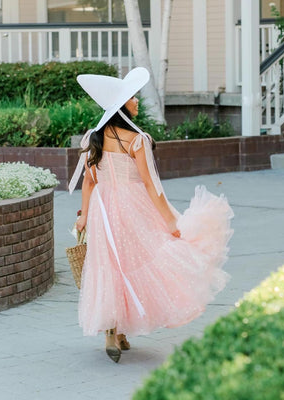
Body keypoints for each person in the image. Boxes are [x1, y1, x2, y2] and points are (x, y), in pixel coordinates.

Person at [69, 67, 234, 363]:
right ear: (121, 106)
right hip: (132, 206)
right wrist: (170, 219)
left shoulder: (92, 138)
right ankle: (117, 330)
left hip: (104, 211)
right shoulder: (136, 139)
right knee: (138, 262)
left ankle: (114, 331)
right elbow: (149, 183)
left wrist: (84, 216)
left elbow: (89, 182)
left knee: (109, 266)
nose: (137, 102)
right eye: (132, 97)